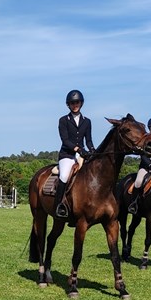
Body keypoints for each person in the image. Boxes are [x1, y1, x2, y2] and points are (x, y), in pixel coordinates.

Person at [55, 89, 95, 218]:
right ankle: (59, 205)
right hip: (67, 155)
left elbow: (88, 140)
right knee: (65, 176)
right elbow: (65, 140)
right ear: (68, 105)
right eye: (72, 103)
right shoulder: (63, 120)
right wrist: (77, 149)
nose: (75, 105)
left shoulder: (87, 121)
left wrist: (93, 150)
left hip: (81, 155)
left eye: (77, 102)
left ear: (81, 103)